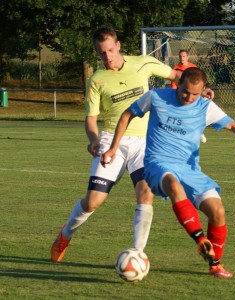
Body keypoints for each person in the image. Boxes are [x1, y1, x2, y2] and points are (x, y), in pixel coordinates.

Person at [50, 27, 214, 263]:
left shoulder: (143, 63)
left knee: (145, 194)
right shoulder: (96, 80)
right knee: (93, 201)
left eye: (109, 50)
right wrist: (94, 140)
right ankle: (65, 235)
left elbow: (178, 77)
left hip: (145, 142)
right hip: (111, 140)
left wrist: (202, 90)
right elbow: (90, 119)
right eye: (101, 52)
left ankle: (137, 253)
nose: (106, 57)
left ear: (118, 45)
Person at [102, 67, 235, 278]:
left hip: (190, 169)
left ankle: (215, 264)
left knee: (218, 211)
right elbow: (127, 114)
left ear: (203, 90)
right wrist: (113, 147)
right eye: (185, 91)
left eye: (195, 93)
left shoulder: (205, 106)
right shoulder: (156, 97)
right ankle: (200, 239)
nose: (189, 97)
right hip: (158, 164)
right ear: (178, 83)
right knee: (173, 185)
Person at [171, 49, 207, 143]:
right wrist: (175, 93)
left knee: (193, 113)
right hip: (181, 95)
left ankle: (199, 132)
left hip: (192, 95)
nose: (182, 58)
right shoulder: (176, 68)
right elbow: (174, 83)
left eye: (183, 56)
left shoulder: (193, 67)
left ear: (187, 57)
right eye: (180, 56)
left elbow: (199, 80)